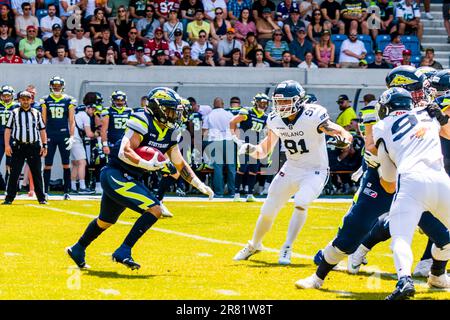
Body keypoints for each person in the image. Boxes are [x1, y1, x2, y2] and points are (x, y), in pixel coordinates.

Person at [66, 87, 213, 270]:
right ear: (157, 108)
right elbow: (124, 152)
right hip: (116, 174)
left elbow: (179, 163)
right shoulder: (142, 120)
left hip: (130, 177)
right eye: (169, 110)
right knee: (155, 209)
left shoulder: (171, 131)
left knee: (105, 221)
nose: (174, 114)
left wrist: (199, 184)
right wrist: (149, 165)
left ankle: (78, 248)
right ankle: (123, 250)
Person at [233, 80, 352, 265]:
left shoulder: (313, 114)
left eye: (285, 102)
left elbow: (341, 131)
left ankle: (287, 247)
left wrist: (344, 139)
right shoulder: (274, 119)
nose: (281, 106)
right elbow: (263, 151)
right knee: (267, 210)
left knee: (301, 201)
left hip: (315, 170)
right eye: (278, 102)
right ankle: (254, 245)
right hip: (291, 168)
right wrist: (249, 148)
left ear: (298, 100)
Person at [372, 88, 450, 300]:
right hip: (441, 180)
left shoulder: (381, 125)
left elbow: (388, 180)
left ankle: (404, 280)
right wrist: (442, 120)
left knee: (401, 237)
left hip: (410, 181)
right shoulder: (428, 114)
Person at [2, 90, 47, 205]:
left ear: (31, 100)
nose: (25, 101)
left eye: (28, 99)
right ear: (19, 100)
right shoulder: (14, 113)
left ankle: (41, 198)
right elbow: (8, 130)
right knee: (14, 173)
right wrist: (7, 145)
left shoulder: (37, 113)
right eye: (23, 99)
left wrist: (44, 144)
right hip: (19, 146)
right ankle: (9, 198)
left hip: (34, 146)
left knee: (37, 173)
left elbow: (42, 130)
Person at [39, 76, 76, 200]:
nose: (56, 88)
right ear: (51, 86)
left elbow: (71, 120)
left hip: (63, 134)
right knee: (47, 164)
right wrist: (42, 137)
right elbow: (43, 120)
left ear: (62, 86)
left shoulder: (68, 100)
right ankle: (45, 191)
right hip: (50, 134)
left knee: (66, 164)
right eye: (54, 86)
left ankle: (67, 192)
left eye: (58, 86)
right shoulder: (45, 100)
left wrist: (72, 136)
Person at [230, 93, 269, 202]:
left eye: (265, 103)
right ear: (256, 103)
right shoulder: (247, 112)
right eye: (261, 103)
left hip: (255, 145)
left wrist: (264, 141)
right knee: (241, 169)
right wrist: (235, 137)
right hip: (243, 144)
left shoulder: (265, 117)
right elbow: (232, 122)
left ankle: (250, 194)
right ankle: (236, 194)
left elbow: (268, 131)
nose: (263, 105)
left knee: (253, 170)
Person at [202, 97, 236, 197]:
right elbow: (235, 127)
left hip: (215, 142)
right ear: (223, 104)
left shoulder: (209, 115)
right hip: (229, 141)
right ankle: (232, 192)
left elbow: (204, 131)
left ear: (213, 104)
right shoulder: (229, 114)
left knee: (218, 168)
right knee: (231, 168)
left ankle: (219, 192)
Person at [71, 102, 96, 194]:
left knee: (75, 164)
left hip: (70, 140)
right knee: (82, 163)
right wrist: (97, 134)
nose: (93, 111)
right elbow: (89, 134)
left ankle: (73, 187)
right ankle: (82, 187)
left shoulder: (76, 115)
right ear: (87, 108)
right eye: (92, 109)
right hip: (76, 140)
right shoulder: (85, 116)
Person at [101, 90, 133, 158]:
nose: (120, 102)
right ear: (113, 100)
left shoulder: (130, 111)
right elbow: (103, 130)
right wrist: (105, 145)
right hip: (112, 143)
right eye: (117, 100)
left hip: (125, 143)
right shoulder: (107, 111)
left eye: (122, 100)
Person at [0, 85, 18, 190]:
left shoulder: (16, 106)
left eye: (8, 95)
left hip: (12, 137)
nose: (6, 98)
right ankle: (3, 184)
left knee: (10, 164)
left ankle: (9, 187)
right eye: (4, 95)